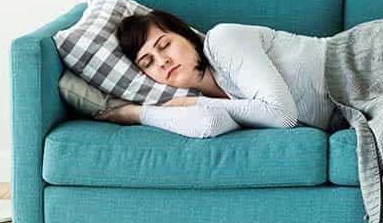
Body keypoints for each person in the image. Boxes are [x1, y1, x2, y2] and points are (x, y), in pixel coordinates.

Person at [96, 10, 347, 138]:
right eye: (148, 62)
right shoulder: (212, 98)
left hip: (357, 63)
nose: (162, 61)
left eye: (164, 45)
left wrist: (192, 102)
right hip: (346, 110)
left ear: (186, 36)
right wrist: (137, 113)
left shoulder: (221, 40)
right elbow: (210, 124)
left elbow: (282, 116)